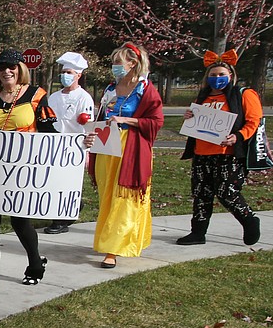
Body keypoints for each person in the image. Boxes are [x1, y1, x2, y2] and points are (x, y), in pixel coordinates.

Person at [0, 49, 59, 298]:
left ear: (20, 69)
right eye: (2, 67)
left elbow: (50, 133)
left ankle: (36, 263)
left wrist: (78, 145)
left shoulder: (35, 95)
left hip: (23, 170)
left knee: (20, 222)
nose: (7, 71)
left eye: (12, 66)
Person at [84, 42, 164, 268]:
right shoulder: (111, 89)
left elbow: (156, 122)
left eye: (118, 63)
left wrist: (126, 120)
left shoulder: (145, 90)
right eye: (113, 63)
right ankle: (112, 238)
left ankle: (113, 249)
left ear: (133, 64)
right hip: (107, 147)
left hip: (131, 148)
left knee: (124, 198)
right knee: (107, 197)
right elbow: (100, 118)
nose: (114, 67)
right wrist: (91, 137)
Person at [176, 49, 262, 246]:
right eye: (213, 75)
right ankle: (198, 232)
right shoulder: (203, 97)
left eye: (222, 75)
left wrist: (238, 137)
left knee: (227, 192)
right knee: (201, 194)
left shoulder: (244, 95)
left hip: (228, 155)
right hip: (201, 153)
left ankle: (249, 220)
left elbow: (253, 121)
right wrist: (189, 117)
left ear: (231, 76)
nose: (217, 78)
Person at [44, 51, 95, 234]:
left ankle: (62, 219)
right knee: (55, 182)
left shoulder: (84, 98)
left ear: (78, 75)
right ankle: (60, 213)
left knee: (69, 184)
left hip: (75, 147)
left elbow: (88, 126)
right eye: (63, 72)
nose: (65, 75)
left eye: (69, 72)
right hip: (55, 146)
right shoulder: (54, 97)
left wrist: (88, 151)